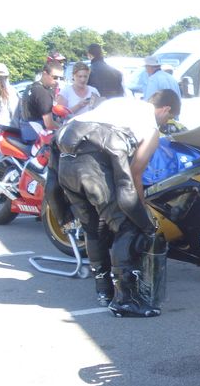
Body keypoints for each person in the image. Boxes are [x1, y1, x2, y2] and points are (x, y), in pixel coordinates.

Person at [55, 90, 181, 318]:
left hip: (66, 161)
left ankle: (104, 291)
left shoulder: (120, 104)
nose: (164, 124)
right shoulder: (150, 126)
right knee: (127, 226)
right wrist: (141, 213)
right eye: (168, 119)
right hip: (94, 167)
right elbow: (134, 174)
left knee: (93, 228)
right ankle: (125, 301)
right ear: (165, 109)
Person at [18, 61, 64, 143]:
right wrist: (64, 128)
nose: (58, 81)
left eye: (61, 78)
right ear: (45, 74)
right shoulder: (42, 93)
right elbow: (49, 124)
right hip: (37, 138)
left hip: (26, 134)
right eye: (55, 77)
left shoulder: (31, 86)